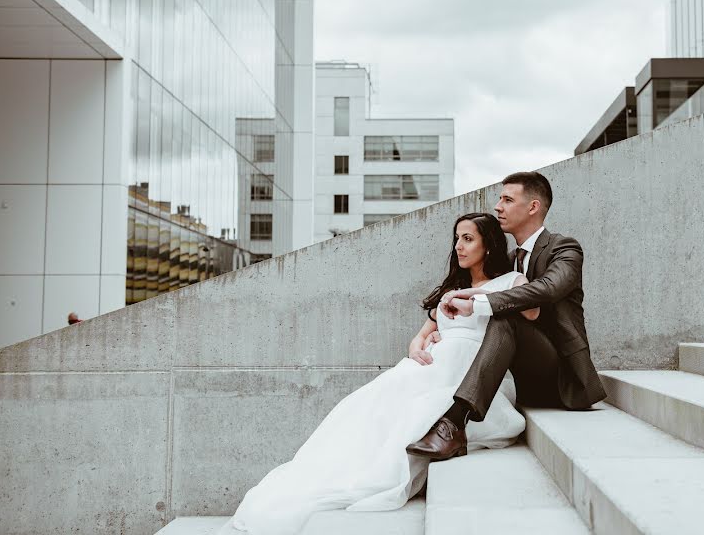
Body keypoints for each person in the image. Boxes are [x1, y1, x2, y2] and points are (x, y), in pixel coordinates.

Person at [219, 213, 535, 534]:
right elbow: (422, 334)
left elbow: (532, 310)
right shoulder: (453, 288)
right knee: (367, 404)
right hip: (429, 366)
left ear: (490, 244)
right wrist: (418, 345)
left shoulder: (510, 283)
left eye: (468, 239)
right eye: (456, 238)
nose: (458, 246)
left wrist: (478, 300)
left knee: (417, 410)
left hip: (471, 375)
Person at [407, 171, 606, 461]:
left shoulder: (564, 248)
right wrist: (445, 333)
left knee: (505, 316)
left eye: (507, 199)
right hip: (510, 375)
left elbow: (548, 289)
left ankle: (453, 422)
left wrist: (476, 304)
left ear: (533, 207)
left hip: (557, 373)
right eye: (499, 199)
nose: (498, 206)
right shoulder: (508, 263)